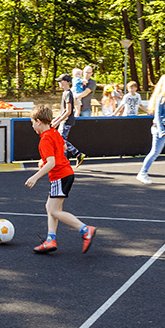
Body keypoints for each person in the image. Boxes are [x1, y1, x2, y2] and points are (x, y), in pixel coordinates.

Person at [24, 103, 96, 254]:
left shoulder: (44, 140)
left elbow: (52, 163)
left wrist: (35, 177)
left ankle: (85, 230)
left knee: (55, 211)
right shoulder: (54, 132)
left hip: (59, 176)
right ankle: (51, 240)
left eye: (32, 123)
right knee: (50, 208)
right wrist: (44, 160)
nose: (32, 127)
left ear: (38, 121)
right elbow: (62, 148)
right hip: (66, 174)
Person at [51, 73, 86, 167]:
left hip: (66, 121)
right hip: (64, 120)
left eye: (60, 81)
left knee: (61, 140)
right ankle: (64, 160)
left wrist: (57, 121)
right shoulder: (65, 93)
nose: (59, 83)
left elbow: (68, 111)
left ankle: (77, 154)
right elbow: (63, 111)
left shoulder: (68, 93)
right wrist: (56, 120)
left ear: (67, 82)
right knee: (61, 141)